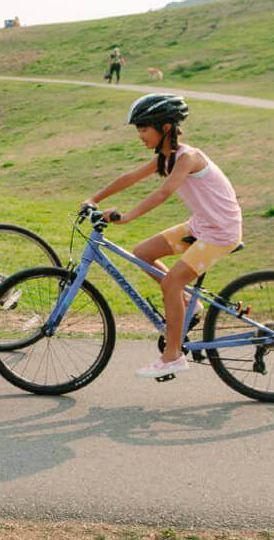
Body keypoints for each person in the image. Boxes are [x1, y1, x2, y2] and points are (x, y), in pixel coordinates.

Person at [86, 93, 243, 381]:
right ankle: (189, 304)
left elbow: (164, 192)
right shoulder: (165, 158)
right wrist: (94, 198)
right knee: (143, 253)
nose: (140, 135)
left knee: (171, 282)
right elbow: (130, 177)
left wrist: (128, 216)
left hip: (221, 232)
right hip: (200, 227)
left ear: (165, 128)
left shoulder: (188, 158)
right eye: (139, 130)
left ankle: (172, 356)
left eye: (144, 128)